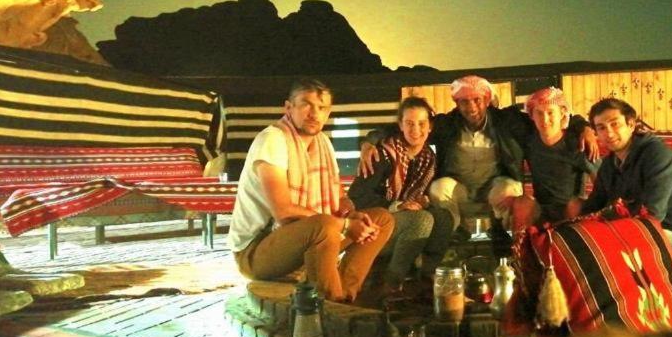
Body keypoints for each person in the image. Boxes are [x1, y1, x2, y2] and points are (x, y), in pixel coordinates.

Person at [360, 75, 598, 234]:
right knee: (439, 187)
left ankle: (509, 239)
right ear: (456, 103)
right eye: (464, 102)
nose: (471, 107)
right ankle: (451, 234)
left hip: (495, 188)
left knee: (510, 189)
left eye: (476, 100)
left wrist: (583, 126)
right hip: (460, 189)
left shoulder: (508, 121)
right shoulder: (446, 124)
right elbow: (406, 126)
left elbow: (549, 116)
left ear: (486, 100)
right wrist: (371, 141)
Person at [227, 78, 394, 303]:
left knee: (381, 219)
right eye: (306, 104)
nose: (314, 113)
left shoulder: (323, 142)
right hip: (258, 250)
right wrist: (344, 225)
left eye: (322, 107)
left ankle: (345, 297)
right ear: (289, 107)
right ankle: (331, 305)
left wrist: (351, 215)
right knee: (324, 226)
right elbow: (283, 211)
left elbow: (339, 198)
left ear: (328, 112)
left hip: (309, 236)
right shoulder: (272, 139)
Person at [567, 97, 672, 266]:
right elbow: (594, 205)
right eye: (601, 128)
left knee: (608, 249)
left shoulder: (658, 155)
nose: (609, 133)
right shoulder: (609, 165)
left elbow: (652, 215)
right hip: (634, 231)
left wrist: (605, 229)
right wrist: (573, 230)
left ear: (631, 124)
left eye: (615, 124)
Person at [347, 97, 454, 290]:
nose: (416, 130)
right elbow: (357, 197)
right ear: (400, 126)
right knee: (421, 220)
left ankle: (427, 276)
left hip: (404, 220)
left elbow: (422, 193)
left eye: (422, 124)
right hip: (375, 224)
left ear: (430, 127)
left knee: (444, 217)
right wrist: (397, 206)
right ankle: (392, 283)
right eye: (409, 124)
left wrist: (423, 200)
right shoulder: (382, 154)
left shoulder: (428, 159)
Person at [509, 87, 598, 232]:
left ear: (562, 113)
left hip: (571, 209)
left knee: (574, 205)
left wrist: (597, 208)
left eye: (551, 113)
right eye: (539, 113)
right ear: (531, 115)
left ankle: (573, 243)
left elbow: (600, 178)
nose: (545, 119)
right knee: (522, 203)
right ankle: (521, 249)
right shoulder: (529, 141)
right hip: (542, 207)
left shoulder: (578, 143)